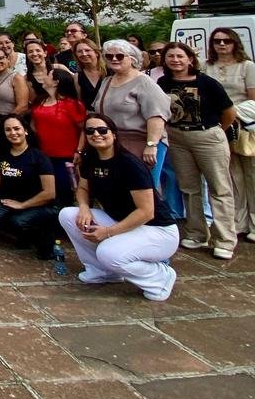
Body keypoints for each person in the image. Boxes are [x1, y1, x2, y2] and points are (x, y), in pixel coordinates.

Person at [61, 113, 180, 300]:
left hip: (157, 230)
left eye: (102, 130)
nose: (96, 134)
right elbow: (83, 188)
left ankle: (159, 276)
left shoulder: (129, 164)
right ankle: (102, 271)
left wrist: (108, 232)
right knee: (68, 214)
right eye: (90, 131)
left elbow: (146, 212)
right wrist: (83, 207)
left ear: (114, 134)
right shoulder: (91, 160)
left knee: (108, 253)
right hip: (122, 221)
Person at [158, 42, 238, 260]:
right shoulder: (163, 82)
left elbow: (229, 112)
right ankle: (196, 232)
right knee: (188, 187)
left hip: (208, 136)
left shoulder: (207, 83)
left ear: (190, 59)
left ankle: (225, 239)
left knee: (219, 188)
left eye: (180, 56)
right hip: (177, 137)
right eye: (170, 56)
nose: (175, 60)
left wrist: (217, 131)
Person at [205, 27, 255, 243]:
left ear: (235, 43)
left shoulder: (247, 66)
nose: (222, 45)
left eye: (227, 41)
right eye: (217, 41)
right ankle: (238, 221)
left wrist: (234, 114)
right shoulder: (206, 66)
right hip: (219, 127)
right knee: (231, 176)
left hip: (247, 125)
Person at [0, 116, 59, 257]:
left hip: (39, 204)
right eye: (8, 130)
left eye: (17, 128)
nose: (13, 133)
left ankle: (40, 235)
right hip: (11, 201)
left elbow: (49, 193)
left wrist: (23, 205)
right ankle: (22, 234)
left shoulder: (39, 157)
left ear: (25, 131)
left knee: (18, 221)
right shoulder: (2, 155)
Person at [93, 41, 171, 181]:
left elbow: (157, 116)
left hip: (142, 143)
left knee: (144, 187)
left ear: (132, 59)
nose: (114, 59)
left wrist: (151, 145)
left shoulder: (144, 82)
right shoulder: (107, 81)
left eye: (120, 56)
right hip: (115, 143)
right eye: (109, 56)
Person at [30, 65, 86, 205]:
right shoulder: (40, 101)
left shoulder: (72, 105)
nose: (44, 77)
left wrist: (79, 151)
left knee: (64, 190)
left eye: (48, 75)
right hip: (43, 155)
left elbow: (84, 129)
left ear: (56, 81)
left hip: (66, 157)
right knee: (44, 190)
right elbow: (33, 124)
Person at [0, 46, 30, 151]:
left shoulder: (16, 78)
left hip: (9, 122)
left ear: (7, 58)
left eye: (0, 58)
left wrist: (1, 123)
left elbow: (23, 106)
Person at [72, 39, 106, 112]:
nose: (84, 54)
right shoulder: (78, 76)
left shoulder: (109, 72)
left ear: (96, 53)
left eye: (87, 50)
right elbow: (80, 102)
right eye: (79, 51)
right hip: (92, 118)